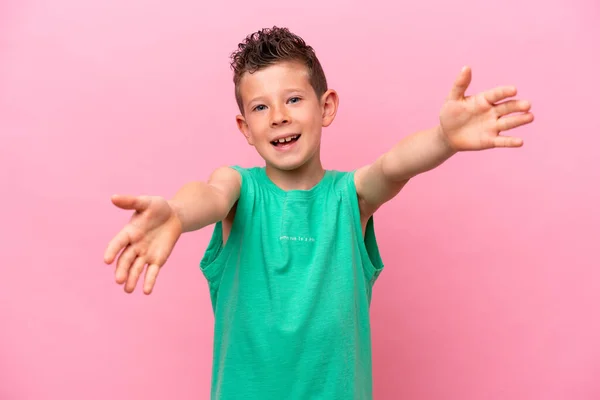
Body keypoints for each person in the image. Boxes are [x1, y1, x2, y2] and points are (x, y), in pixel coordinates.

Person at [103, 26, 534, 400]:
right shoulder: (240, 188)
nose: (278, 117)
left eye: (292, 99)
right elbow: (210, 195)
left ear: (325, 107)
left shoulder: (350, 198)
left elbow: (392, 165)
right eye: (260, 107)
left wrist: (443, 138)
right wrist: (177, 213)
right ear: (245, 129)